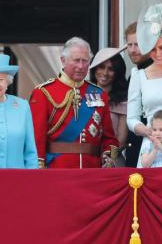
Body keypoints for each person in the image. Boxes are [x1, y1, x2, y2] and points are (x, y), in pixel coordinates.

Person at [29, 37, 119, 169]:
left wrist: (108, 158)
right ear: (63, 61)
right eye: (76, 60)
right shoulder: (43, 92)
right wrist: (39, 168)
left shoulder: (100, 94)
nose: (81, 66)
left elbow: (109, 138)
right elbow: (37, 137)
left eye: (85, 61)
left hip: (92, 170)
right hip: (57, 169)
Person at [127, 3, 162, 167]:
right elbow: (132, 118)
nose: (158, 54)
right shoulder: (139, 75)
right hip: (150, 146)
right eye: (152, 49)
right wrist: (148, 131)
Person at [89, 47, 129, 166]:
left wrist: (107, 159)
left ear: (117, 73)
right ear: (94, 68)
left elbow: (121, 141)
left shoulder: (123, 100)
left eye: (111, 69)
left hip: (112, 162)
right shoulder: (81, 93)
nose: (105, 73)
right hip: (86, 160)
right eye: (101, 67)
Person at [124, 21, 153, 167]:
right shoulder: (134, 75)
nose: (133, 50)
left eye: (138, 44)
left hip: (155, 146)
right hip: (135, 145)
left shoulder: (156, 73)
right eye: (129, 45)